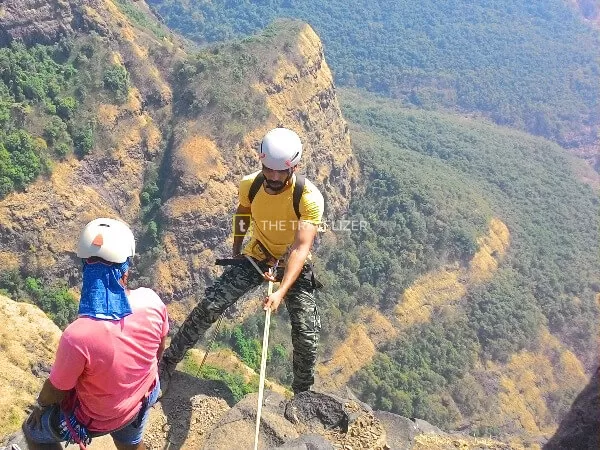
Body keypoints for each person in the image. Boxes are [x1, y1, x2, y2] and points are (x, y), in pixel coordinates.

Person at [160, 127, 324, 395]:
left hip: (291, 263)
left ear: (293, 168)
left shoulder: (308, 198)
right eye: (267, 169)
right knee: (211, 305)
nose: (271, 176)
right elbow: (243, 212)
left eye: (278, 171)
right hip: (257, 253)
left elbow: (300, 248)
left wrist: (281, 290)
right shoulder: (252, 184)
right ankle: (167, 363)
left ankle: (301, 394)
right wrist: (237, 247)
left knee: (306, 333)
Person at [22, 218, 169, 450]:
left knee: (32, 431)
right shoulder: (151, 300)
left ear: (86, 269)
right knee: (131, 443)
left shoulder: (78, 335)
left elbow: (57, 391)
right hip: (143, 396)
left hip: (97, 419)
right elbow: (158, 350)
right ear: (126, 269)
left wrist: (40, 406)